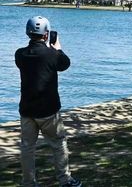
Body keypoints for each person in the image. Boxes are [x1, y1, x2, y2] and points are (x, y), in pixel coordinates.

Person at [15, 16, 82, 187]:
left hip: (27, 110)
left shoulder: (20, 54)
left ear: (27, 33)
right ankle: (65, 180)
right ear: (46, 34)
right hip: (49, 110)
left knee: (27, 148)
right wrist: (58, 49)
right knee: (58, 144)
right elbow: (65, 64)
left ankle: (28, 183)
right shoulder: (53, 55)